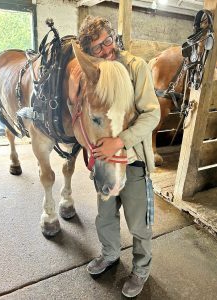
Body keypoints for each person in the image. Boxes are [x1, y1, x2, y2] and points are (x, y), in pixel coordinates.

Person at [69, 16, 160, 298]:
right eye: (97, 47)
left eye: (108, 40)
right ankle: (110, 254)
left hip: (132, 161)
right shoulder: (92, 74)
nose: (107, 49)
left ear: (114, 37)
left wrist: (120, 141)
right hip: (103, 160)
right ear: (89, 52)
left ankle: (141, 269)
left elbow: (152, 113)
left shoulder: (136, 68)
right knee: (105, 216)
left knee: (139, 224)